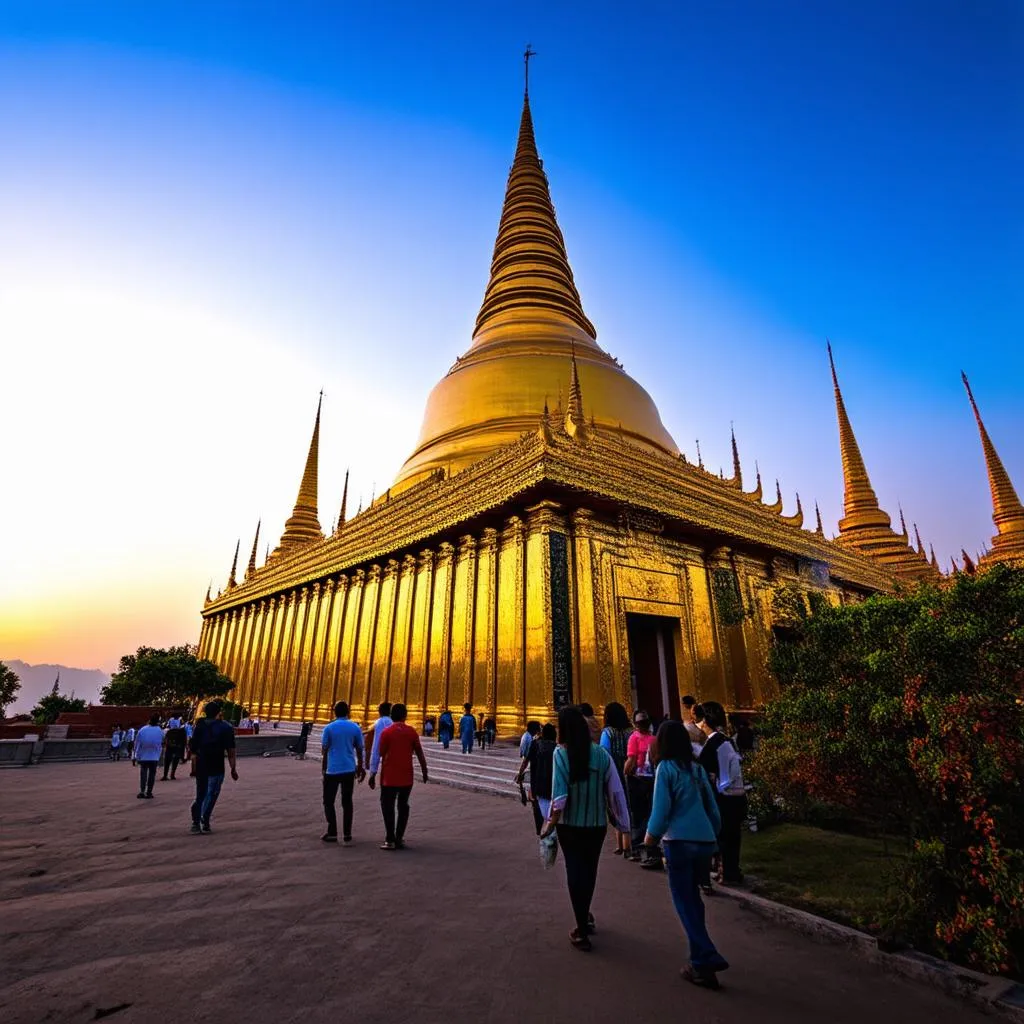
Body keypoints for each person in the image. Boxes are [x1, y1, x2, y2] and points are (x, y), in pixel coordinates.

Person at [644, 720, 729, 990]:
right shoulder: (697, 769)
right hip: (704, 841)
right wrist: (713, 836)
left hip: (679, 842)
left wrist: (650, 837)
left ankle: (705, 955)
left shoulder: (666, 769)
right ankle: (700, 965)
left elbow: (661, 810)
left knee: (684, 900)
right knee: (693, 899)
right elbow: (712, 809)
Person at [542, 706, 628, 952]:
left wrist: (549, 824)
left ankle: (581, 924)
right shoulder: (601, 755)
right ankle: (585, 916)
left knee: (575, 871)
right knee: (589, 871)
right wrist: (623, 824)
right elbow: (615, 792)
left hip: (570, 826)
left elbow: (559, 797)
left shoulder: (561, 754)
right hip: (596, 825)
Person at [698, 701, 747, 886]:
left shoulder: (714, 743)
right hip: (736, 795)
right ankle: (731, 870)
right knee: (733, 837)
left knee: (724, 836)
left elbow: (705, 770)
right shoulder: (726, 740)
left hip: (724, 796)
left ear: (705, 720)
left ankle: (726, 872)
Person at [372, 703, 428, 850]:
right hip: (406, 776)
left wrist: (372, 773)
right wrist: (424, 770)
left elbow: (381, 753)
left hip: (389, 777)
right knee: (403, 806)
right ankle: (399, 837)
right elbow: (419, 752)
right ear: (405, 715)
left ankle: (390, 839)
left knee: (387, 806)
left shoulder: (386, 732)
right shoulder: (411, 732)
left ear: (391, 716)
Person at [189, 700, 238, 835]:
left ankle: (196, 821)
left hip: (201, 764)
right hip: (216, 765)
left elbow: (193, 748)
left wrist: (193, 765)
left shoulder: (199, 726)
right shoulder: (226, 727)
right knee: (212, 794)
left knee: (201, 794)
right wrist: (233, 769)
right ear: (219, 712)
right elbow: (231, 751)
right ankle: (204, 819)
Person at [320, 701, 365, 843]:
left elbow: (324, 750)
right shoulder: (355, 727)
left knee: (328, 801)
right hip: (349, 768)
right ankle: (347, 833)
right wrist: (360, 767)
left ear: (334, 712)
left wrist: (323, 769)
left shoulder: (329, 728)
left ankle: (332, 831)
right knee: (347, 802)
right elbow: (359, 749)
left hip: (332, 770)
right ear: (348, 711)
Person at [600, 702, 633, 858]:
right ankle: (625, 843)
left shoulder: (608, 733)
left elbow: (604, 753)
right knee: (627, 805)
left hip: (613, 773)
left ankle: (623, 845)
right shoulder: (631, 731)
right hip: (630, 772)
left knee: (615, 806)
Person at [625, 710, 658, 865]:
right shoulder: (652, 739)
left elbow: (631, 760)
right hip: (648, 779)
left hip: (639, 779)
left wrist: (625, 771)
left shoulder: (636, 738)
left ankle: (639, 846)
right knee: (646, 812)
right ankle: (646, 846)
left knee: (638, 813)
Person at [516, 722, 556, 834]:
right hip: (552, 787)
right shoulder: (556, 748)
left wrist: (520, 774)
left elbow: (526, 761)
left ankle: (541, 831)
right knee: (551, 815)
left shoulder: (535, 744)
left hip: (537, 786)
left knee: (538, 812)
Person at [133, 715, 164, 799]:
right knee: (152, 775)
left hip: (143, 755)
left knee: (143, 774)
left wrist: (136, 755)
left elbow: (137, 743)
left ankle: (142, 791)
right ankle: (149, 792)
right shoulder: (160, 731)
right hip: (154, 756)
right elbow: (162, 743)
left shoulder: (143, 730)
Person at [366, 702, 393, 772]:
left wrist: (373, 770)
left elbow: (376, 747)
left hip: (387, 761)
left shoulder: (380, 722)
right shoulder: (393, 722)